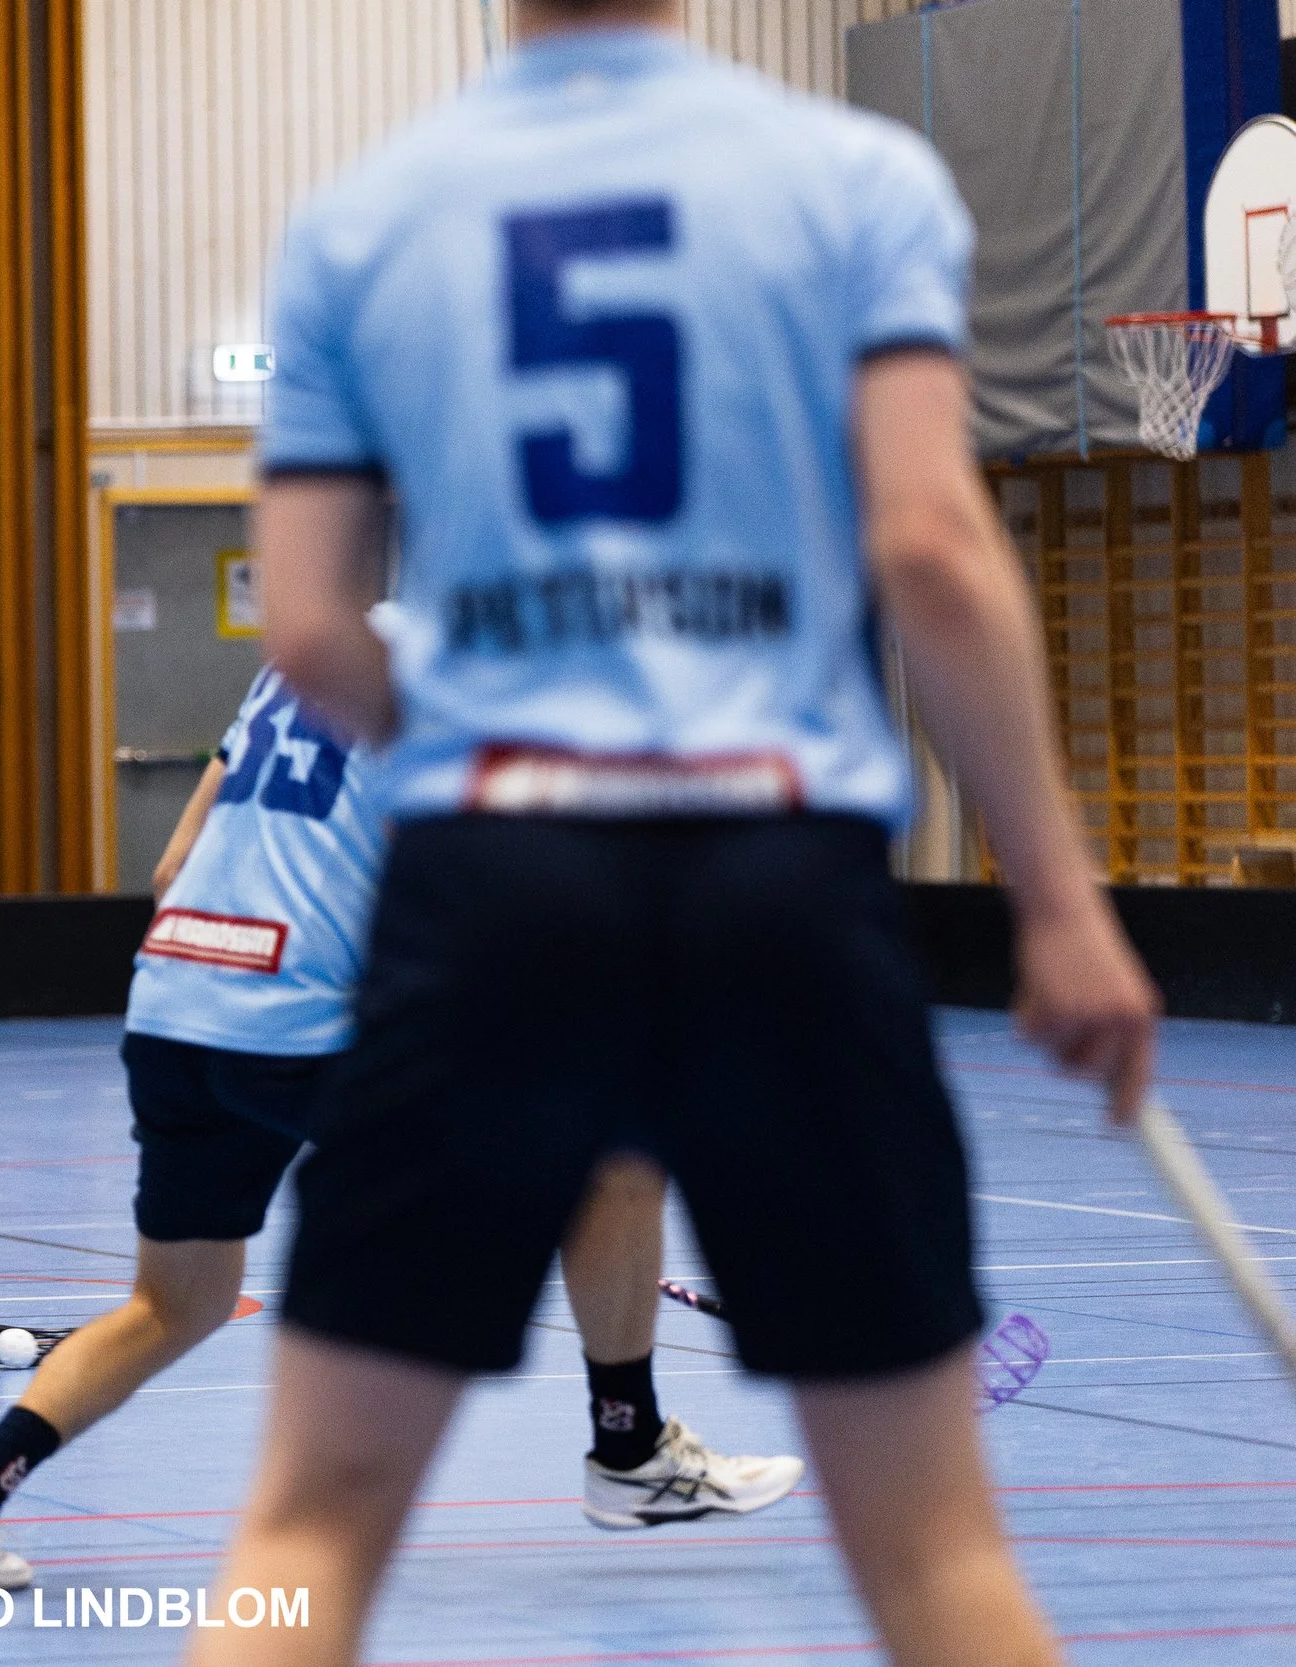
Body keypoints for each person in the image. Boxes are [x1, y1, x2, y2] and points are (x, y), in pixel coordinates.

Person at [193, 3, 1160, 1664]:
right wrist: (1062, 901)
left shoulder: (363, 217)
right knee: (936, 1555)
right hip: (775, 878)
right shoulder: (853, 176)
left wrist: (500, 761)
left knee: (305, 1533)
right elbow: (931, 547)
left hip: (493, 888)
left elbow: (304, 625)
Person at [0, 663, 802, 1591]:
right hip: (293, 1020)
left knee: (175, 1304)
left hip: (174, 1003)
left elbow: (171, 869)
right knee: (613, 1163)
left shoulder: (295, 664)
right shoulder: (465, 671)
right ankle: (629, 1448)